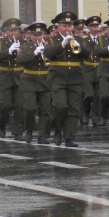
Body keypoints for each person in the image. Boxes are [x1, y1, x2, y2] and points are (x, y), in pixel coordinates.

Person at [43, 11, 91, 147]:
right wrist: (62, 45)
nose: (67, 28)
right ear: (58, 27)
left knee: (73, 109)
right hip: (58, 77)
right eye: (64, 26)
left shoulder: (79, 39)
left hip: (75, 77)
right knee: (60, 106)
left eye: (69, 26)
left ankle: (69, 137)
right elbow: (47, 54)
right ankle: (58, 129)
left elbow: (87, 55)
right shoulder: (51, 40)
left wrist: (79, 45)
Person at [16, 22, 50, 143]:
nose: (37, 37)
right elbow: (19, 60)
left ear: (43, 35)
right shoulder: (25, 46)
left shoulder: (48, 46)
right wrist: (34, 53)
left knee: (45, 109)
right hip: (29, 80)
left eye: (39, 34)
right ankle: (28, 130)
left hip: (45, 81)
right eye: (35, 35)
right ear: (30, 35)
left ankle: (42, 135)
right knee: (29, 108)